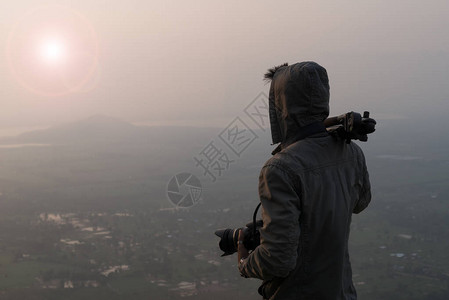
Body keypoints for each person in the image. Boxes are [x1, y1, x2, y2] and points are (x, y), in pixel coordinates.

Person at [237, 62, 371, 300]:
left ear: (281, 105)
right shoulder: (351, 152)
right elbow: (360, 202)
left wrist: (245, 261)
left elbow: (278, 260)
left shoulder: (281, 167)